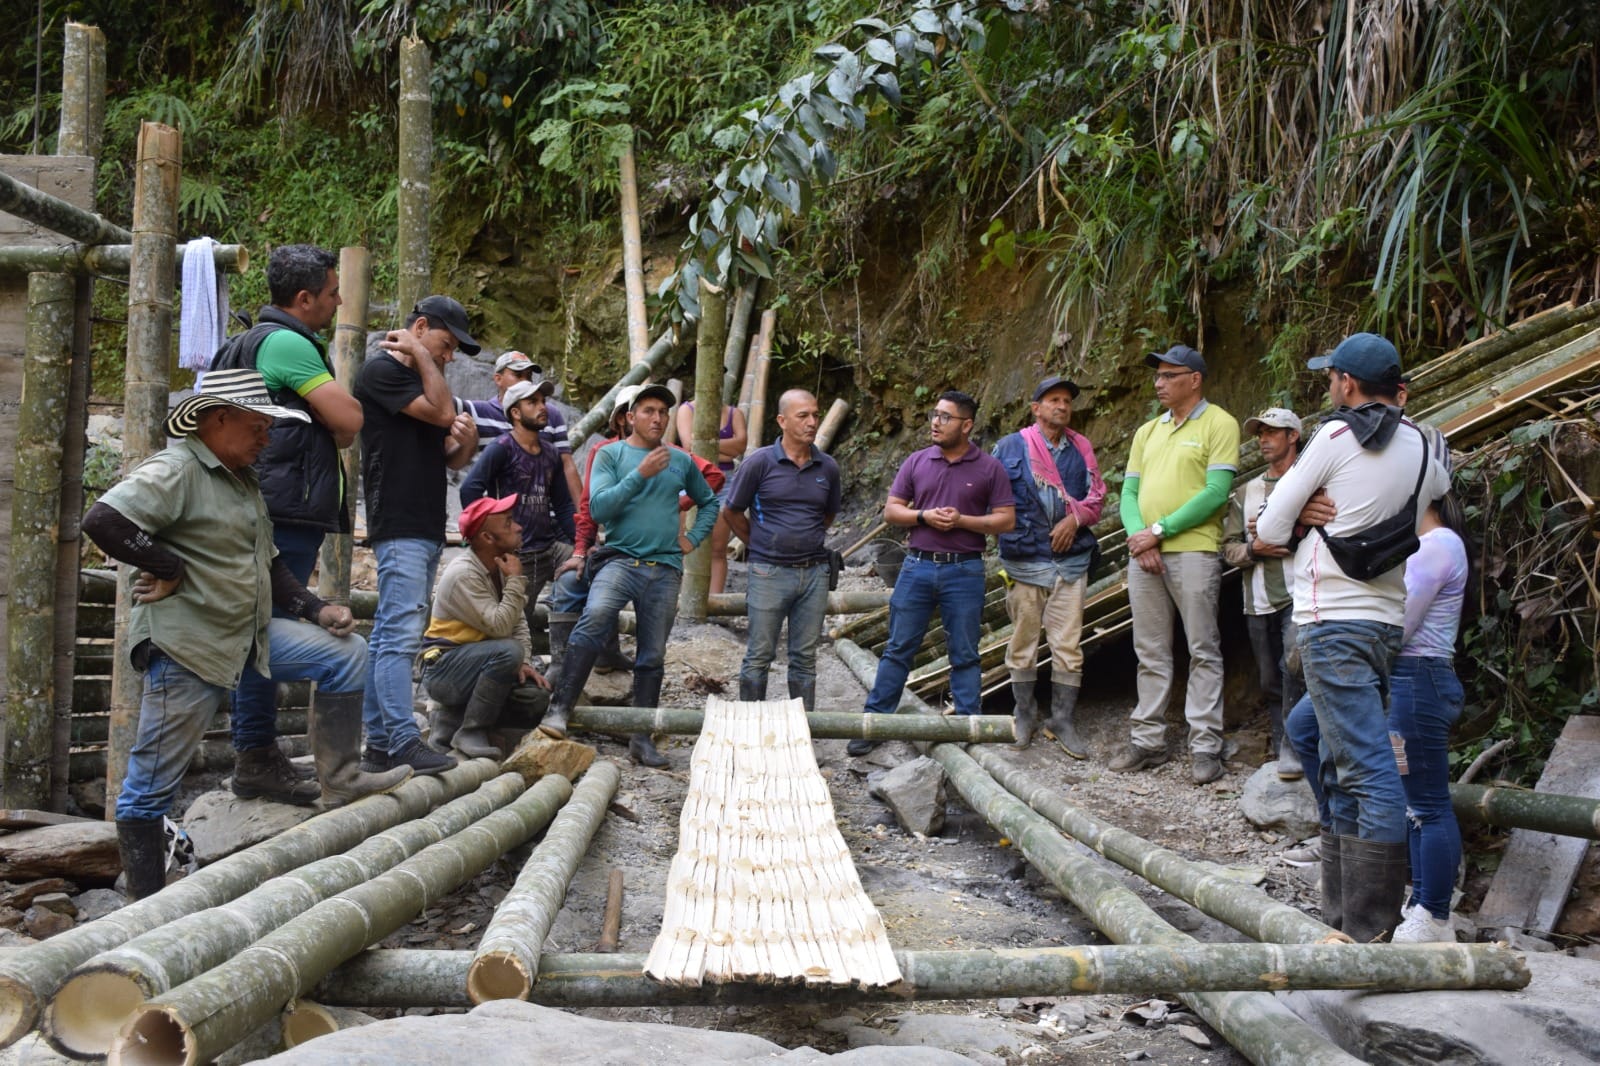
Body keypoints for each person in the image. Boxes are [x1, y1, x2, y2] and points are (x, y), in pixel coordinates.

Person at [82, 369, 412, 898]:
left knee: (346, 652)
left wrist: (314, 607)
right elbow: (103, 520)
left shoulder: (241, 479)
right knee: (149, 789)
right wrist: (167, 567)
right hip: (189, 645)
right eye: (258, 426)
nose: (266, 438)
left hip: (245, 634)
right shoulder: (177, 468)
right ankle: (143, 906)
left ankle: (343, 774)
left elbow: (271, 563)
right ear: (218, 419)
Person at [1254, 331, 1449, 942]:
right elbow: (1435, 494)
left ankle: (1367, 933)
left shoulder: (1336, 435)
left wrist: (1311, 499)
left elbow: (1270, 526)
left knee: (1368, 771)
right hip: (1384, 622)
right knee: (1330, 755)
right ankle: (1339, 919)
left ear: (1346, 384)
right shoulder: (1424, 445)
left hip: (1329, 617)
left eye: (1331, 377)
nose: (1329, 387)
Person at [208, 243, 360, 805]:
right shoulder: (288, 343)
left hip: (267, 505)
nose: (338, 301)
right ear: (304, 299)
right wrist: (335, 423)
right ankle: (255, 755)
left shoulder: (246, 342)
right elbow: (348, 420)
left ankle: (257, 751)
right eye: (331, 293)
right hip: (284, 511)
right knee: (265, 636)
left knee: (260, 627)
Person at [536, 385, 720, 767]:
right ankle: (559, 709)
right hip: (620, 560)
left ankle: (641, 736)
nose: (657, 418)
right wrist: (640, 473)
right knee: (595, 617)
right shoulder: (611, 455)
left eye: (663, 412)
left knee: (653, 653)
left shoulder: (680, 460)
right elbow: (599, 507)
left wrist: (693, 538)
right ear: (629, 417)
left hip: (666, 568)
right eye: (649, 410)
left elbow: (710, 500)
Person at [354, 296, 482, 776]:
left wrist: (464, 444)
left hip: (426, 523)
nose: (447, 357)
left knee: (394, 632)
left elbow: (448, 454)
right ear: (420, 327)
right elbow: (442, 409)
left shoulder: (415, 381)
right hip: (399, 521)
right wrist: (424, 356)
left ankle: (381, 746)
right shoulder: (380, 372)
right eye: (445, 345)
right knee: (398, 635)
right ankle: (403, 739)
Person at [848, 391, 1015, 757]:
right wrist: (924, 515)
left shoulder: (989, 468)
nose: (935, 423)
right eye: (934, 415)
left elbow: (1006, 519)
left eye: (945, 417)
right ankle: (875, 723)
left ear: (966, 425)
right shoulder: (917, 461)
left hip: (965, 568)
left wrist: (963, 520)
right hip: (917, 565)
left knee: (965, 652)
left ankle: (969, 728)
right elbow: (893, 511)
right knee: (898, 649)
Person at [1114, 344, 1240, 784]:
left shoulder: (1219, 423)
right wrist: (1139, 539)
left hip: (1193, 551)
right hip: (1145, 552)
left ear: (1195, 379)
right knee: (1149, 649)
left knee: (1202, 648)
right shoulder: (1147, 432)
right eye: (1158, 376)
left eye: (1169, 375)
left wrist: (1159, 531)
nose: (1159, 383)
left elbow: (1215, 493)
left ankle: (1205, 745)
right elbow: (1129, 494)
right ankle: (1148, 741)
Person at [992, 375, 1104, 754]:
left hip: (1070, 565)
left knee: (1068, 646)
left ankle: (1062, 720)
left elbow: (1097, 497)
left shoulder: (1081, 447)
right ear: (1036, 408)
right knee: (1023, 642)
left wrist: (1074, 520)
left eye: (1066, 401)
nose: (1061, 406)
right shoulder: (1010, 447)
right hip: (1024, 563)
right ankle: (1024, 714)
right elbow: (993, 499)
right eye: (1053, 400)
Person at [722, 389, 841, 712]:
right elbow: (732, 511)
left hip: (815, 573)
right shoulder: (759, 463)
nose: (812, 422)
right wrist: (760, 545)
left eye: (816, 415)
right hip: (768, 572)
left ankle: (801, 732)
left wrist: (805, 538)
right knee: (760, 654)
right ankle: (751, 728)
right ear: (782, 421)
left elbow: (827, 515)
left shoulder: (827, 467)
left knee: (805, 656)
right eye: (803, 416)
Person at [1388, 492, 1469, 942]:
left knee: (1428, 802)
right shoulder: (1428, 545)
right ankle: (1423, 902)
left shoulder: (1437, 544)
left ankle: (1434, 913)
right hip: (1409, 681)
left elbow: (1398, 625)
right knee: (1415, 800)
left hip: (1418, 679)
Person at [417, 495, 551, 760]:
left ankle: (455, 727)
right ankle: (471, 730)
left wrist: (523, 662)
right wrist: (516, 581)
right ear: (488, 538)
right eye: (509, 523)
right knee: (507, 651)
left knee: (535, 698)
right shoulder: (464, 573)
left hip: (478, 663)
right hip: (444, 669)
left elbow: (518, 622)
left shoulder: (500, 564)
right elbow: (501, 628)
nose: (518, 527)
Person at [1219, 407, 1305, 780]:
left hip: (1300, 594)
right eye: (1260, 433)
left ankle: (1296, 749)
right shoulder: (1246, 492)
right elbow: (1229, 548)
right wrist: (1255, 550)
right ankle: (1282, 739)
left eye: (1273, 432)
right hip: (1256, 599)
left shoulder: (1309, 480)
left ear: (1292, 436)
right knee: (1270, 678)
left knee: (1295, 668)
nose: (1264, 440)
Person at [459, 377, 576, 639]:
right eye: (532, 402)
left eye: (543, 401)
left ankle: (578, 655)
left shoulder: (550, 453)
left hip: (549, 547)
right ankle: (519, 667)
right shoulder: (501, 448)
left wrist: (582, 545)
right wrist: (489, 540)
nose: (542, 407)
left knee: (588, 568)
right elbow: (470, 490)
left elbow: (563, 506)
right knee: (515, 622)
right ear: (515, 412)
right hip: (519, 553)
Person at [461, 351, 583, 504]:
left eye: (529, 376)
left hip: (547, 513)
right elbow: (469, 486)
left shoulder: (551, 415)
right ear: (498, 379)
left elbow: (567, 465)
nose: (525, 381)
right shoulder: (478, 412)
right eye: (518, 375)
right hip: (503, 516)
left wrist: (583, 517)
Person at [676, 400, 747, 594]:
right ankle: (684, 597)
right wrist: (726, 448)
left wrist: (706, 444)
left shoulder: (735, 413)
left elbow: (741, 446)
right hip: (694, 478)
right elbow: (690, 446)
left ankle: (714, 600)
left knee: (718, 548)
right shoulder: (686, 410)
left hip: (726, 481)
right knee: (685, 542)